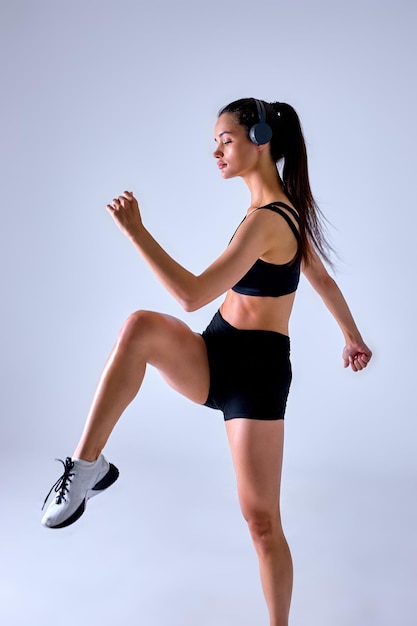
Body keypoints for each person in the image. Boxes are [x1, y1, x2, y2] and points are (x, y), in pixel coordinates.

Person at [41, 98, 372, 626]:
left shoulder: (268, 221)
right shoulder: (279, 210)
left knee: (261, 522)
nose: (215, 151)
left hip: (257, 376)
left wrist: (136, 231)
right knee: (138, 327)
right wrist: (352, 336)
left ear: (259, 139)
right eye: (215, 141)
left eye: (225, 139)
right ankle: (85, 468)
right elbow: (321, 279)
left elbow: (192, 295)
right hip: (215, 349)